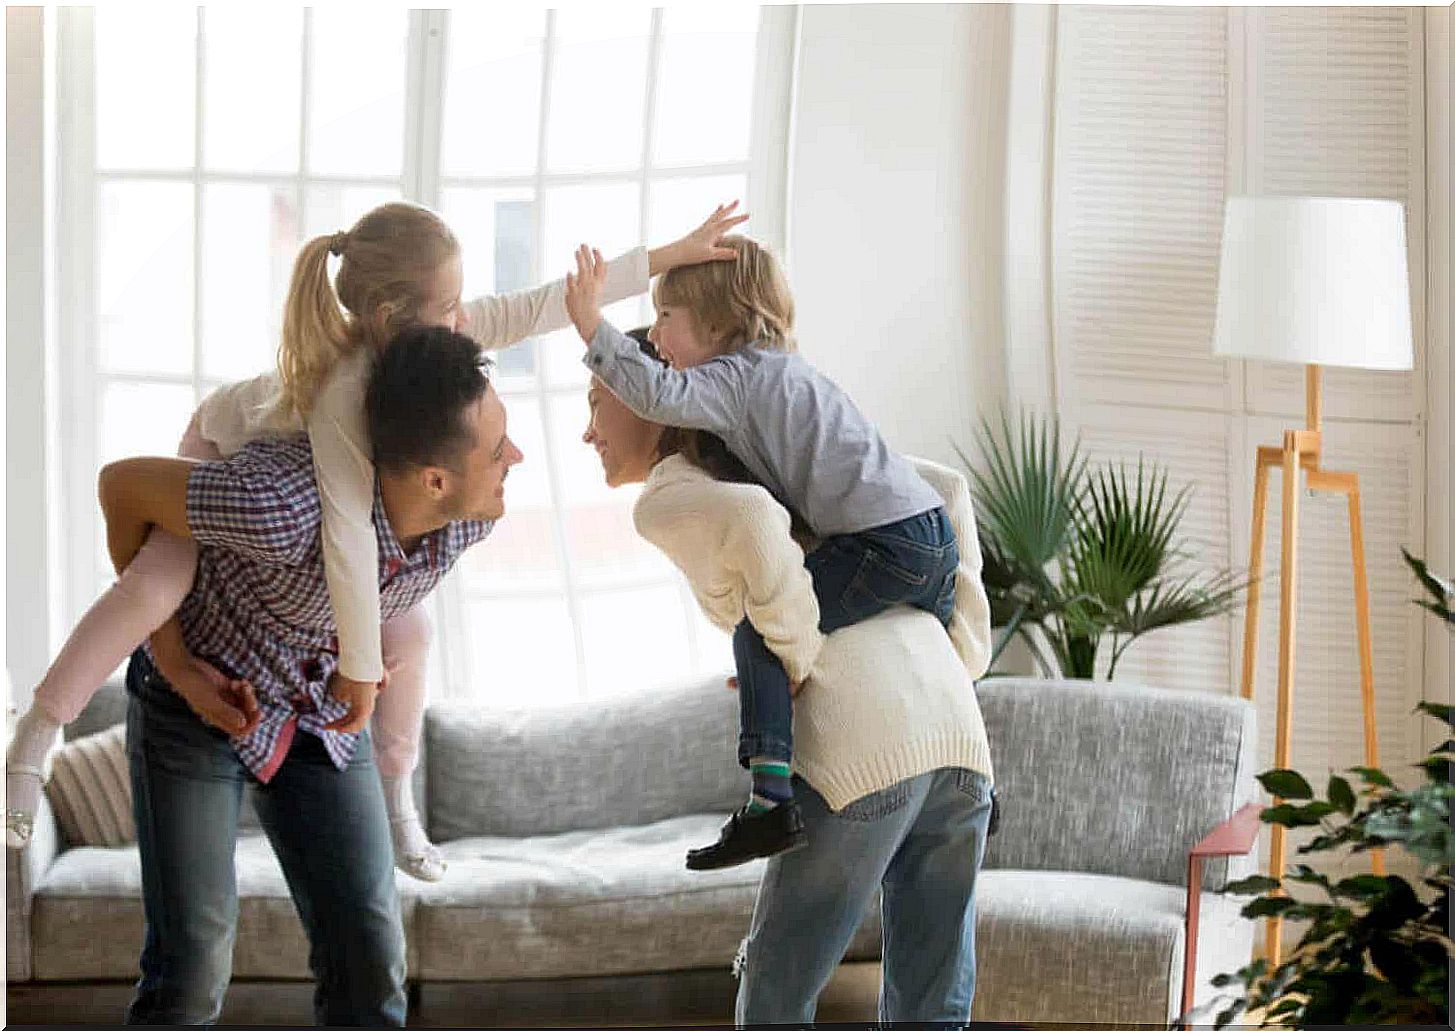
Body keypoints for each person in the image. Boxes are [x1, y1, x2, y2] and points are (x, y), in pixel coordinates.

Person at [5, 200, 746, 883]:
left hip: (304, 502)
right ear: (394, 313)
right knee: (157, 586)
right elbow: (348, 540)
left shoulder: (430, 338)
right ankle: (39, 731)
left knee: (413, 628)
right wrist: (359, 669)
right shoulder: (343, 392)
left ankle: (398, 800)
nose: (464, 316)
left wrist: (669, 253)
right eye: (449, 302)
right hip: (215, 445)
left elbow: (541, 304)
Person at [99, 326, 513, 1024]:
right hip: (196, 700)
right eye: (499, 451)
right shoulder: (275, 506)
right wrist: (173, 661)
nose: (517, 460)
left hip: (319, 709)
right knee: (192, 968)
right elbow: (121, 488)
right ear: (435, 478)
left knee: (370, 956)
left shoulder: (469, 519)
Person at [580, 342, 997, 1024]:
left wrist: (794, 654)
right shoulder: (779, 455)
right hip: (956, 736)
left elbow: (751, 522)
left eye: (597, 403)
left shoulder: (672, 491)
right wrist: (964, 651)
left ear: (647, 395)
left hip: (860, 751)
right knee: (933, 1000)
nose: (588, 430)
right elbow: (945, 488)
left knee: (774, 989)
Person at [564, 237, 959, 871]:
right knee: (929, 658)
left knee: (760, 638)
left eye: (666, 318)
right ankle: (979, 794)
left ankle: (769, 802)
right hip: (931, 534)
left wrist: (590, 322)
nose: (658, 337)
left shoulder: (735, 379)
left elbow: (658, 395)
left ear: (717, 324)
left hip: (882, 543)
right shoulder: (790, 371)